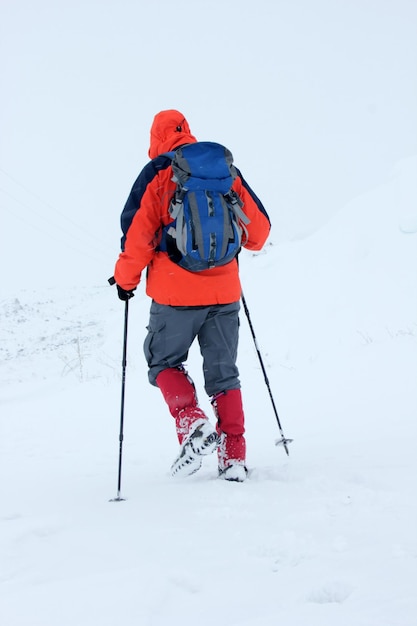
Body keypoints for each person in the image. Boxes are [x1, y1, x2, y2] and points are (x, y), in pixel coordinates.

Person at [113, 109, 271, 482]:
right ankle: (233, 458)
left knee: (163, 363)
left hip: (174, 293)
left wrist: (125, 281)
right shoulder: (224, 171)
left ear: (156, 138)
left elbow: (137, 236)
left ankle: (191, 422)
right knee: (224, 375)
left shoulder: (159, 172)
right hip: (226, 291)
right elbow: (259, 234)